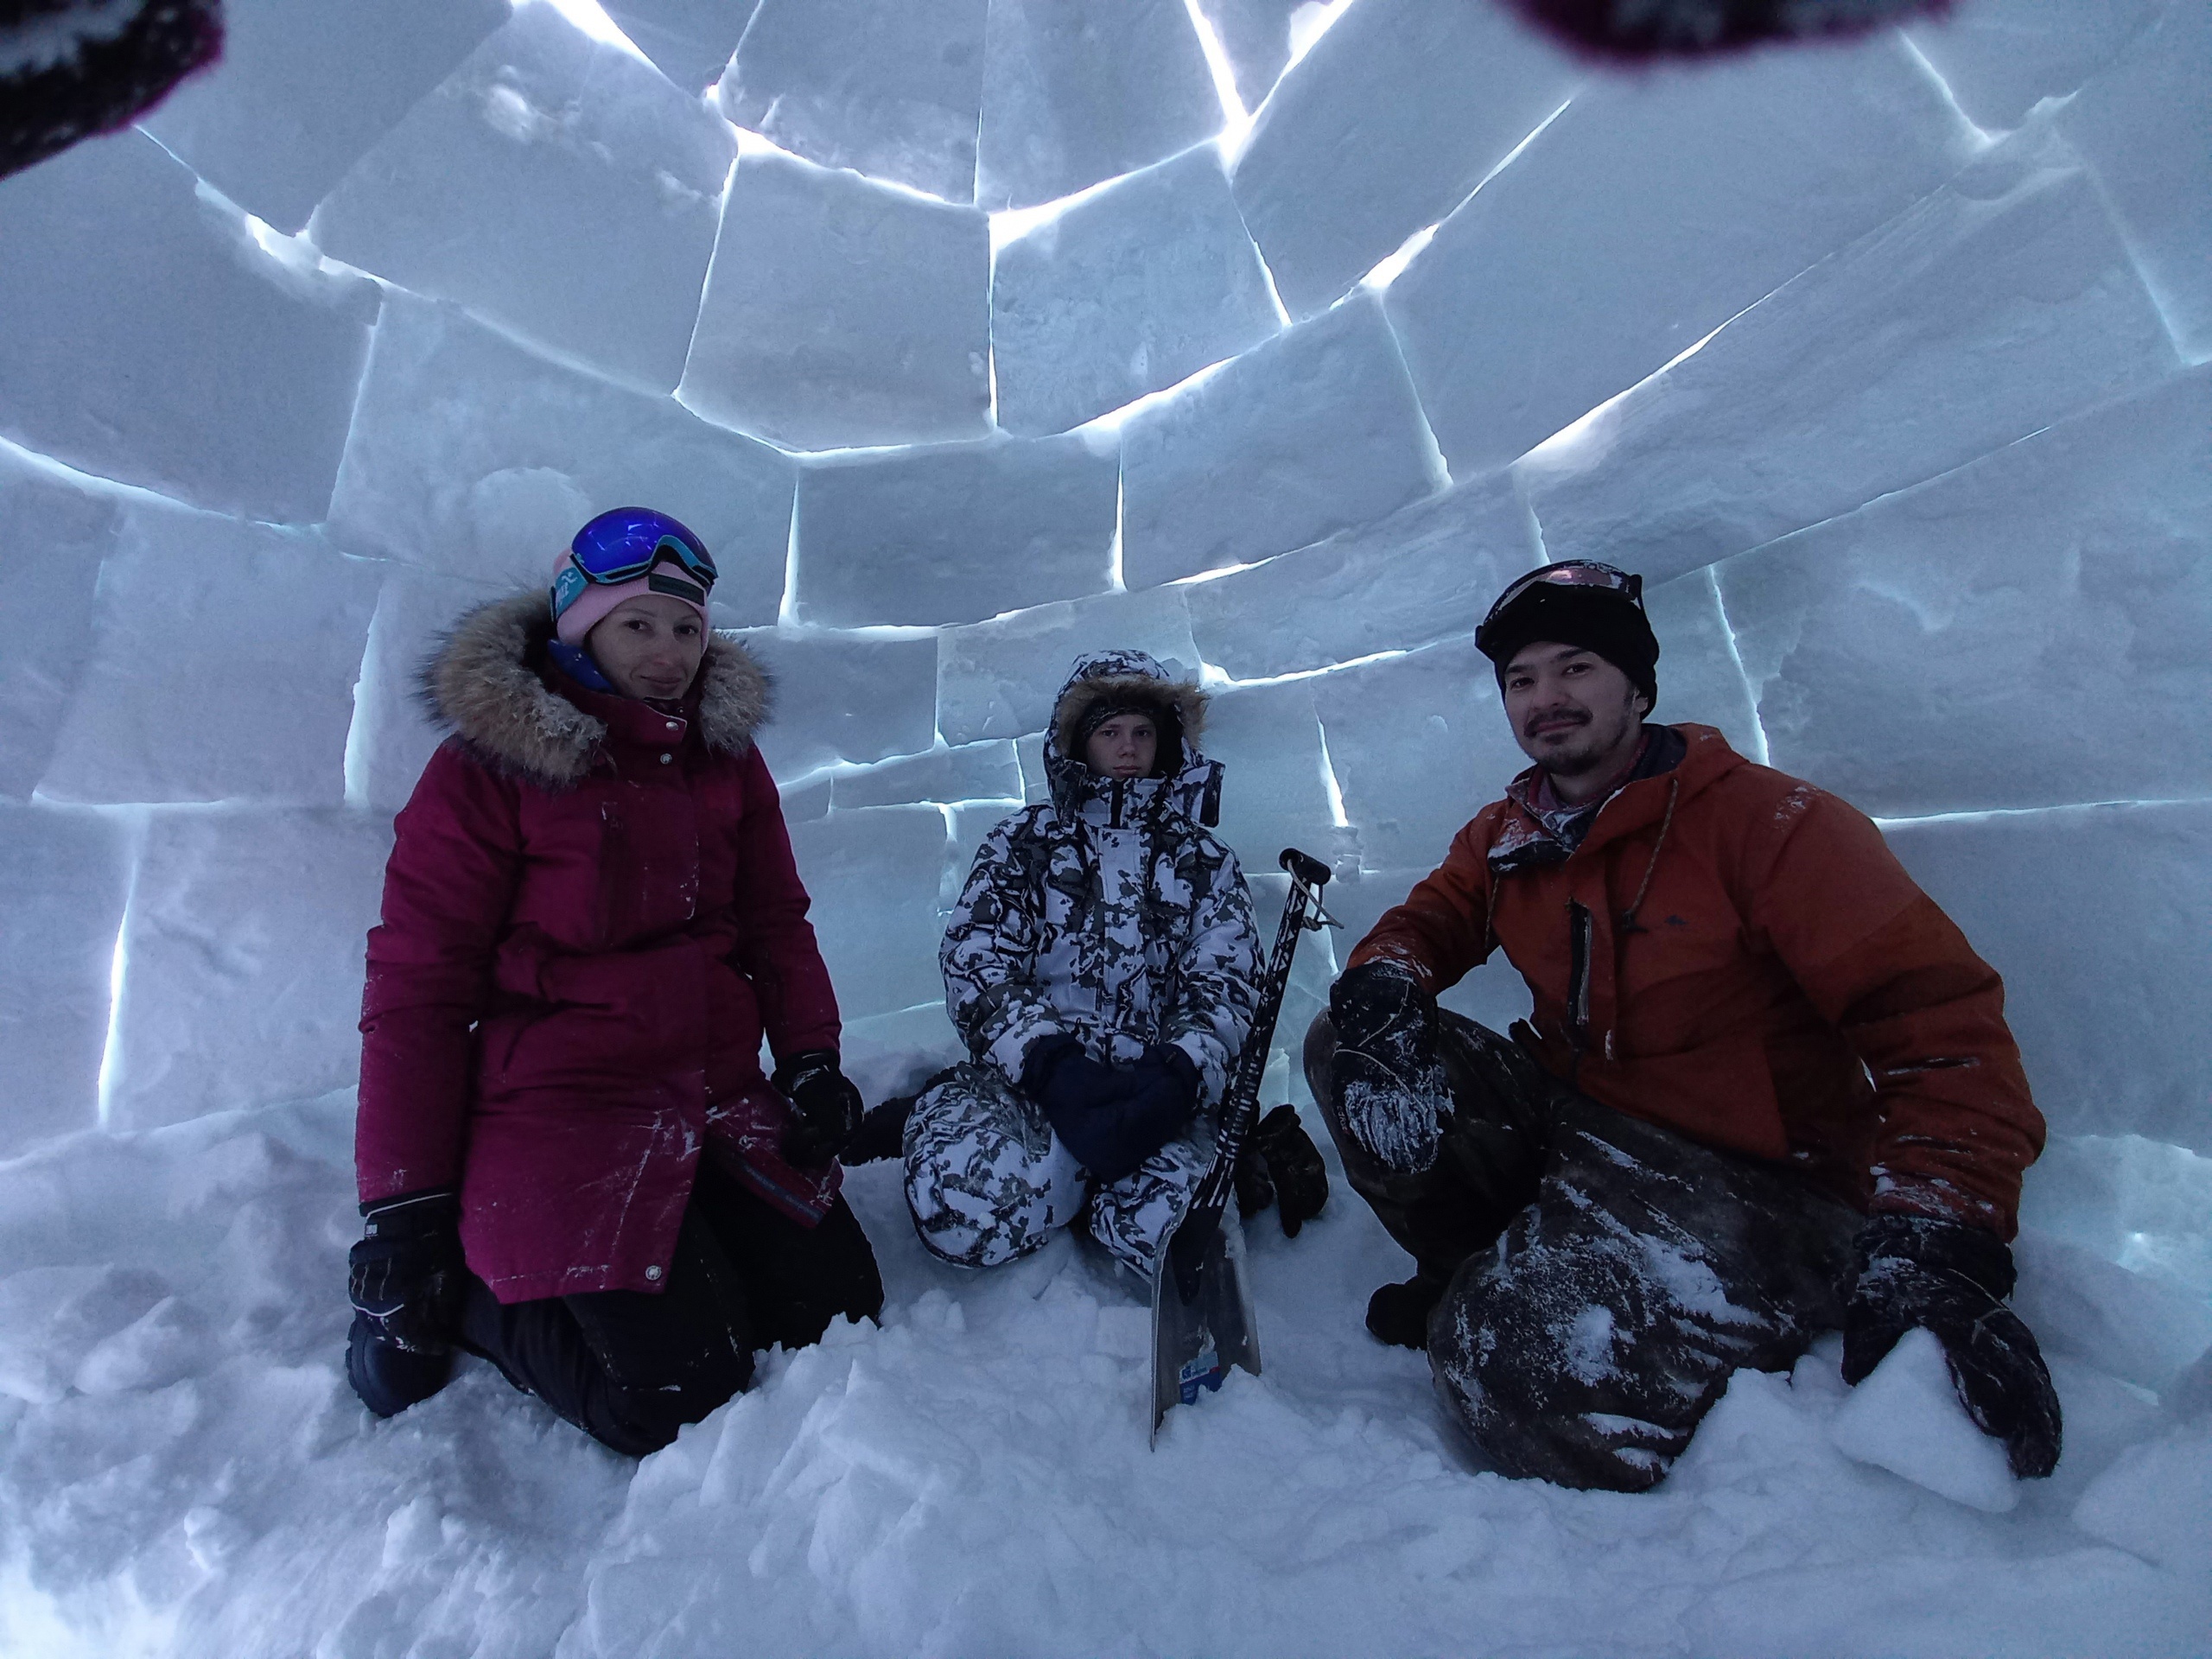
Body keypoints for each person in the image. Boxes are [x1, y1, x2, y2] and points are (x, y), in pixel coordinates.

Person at [1307, 561, 2062, 1492]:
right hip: (1586, 1133)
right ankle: (1505, 1266)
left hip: (1755, 1184)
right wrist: (1385, 979)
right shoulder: (1511, 834)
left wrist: (1940, 1237)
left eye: (1575, 667)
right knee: (1355, 1041)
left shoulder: (1771, 826)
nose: (1546, 699)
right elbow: (1428, 922)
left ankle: (1599, 1340)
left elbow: (1934, 1023)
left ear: (1637, 684)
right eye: (1521, 679)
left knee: (1502, 1364)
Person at [346, 507, 882, 1456]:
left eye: (687, 628)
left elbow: (773, 922)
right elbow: (418, 990)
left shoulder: (721, 756)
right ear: (579, 623)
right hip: (563, 1105)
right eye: (639, 624)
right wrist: (406, 1208)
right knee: (675, 1396)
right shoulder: (489, 768)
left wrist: (807, 1059)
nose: (669, 652)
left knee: (839, 1312)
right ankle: (478, 1295)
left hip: (711, 1095)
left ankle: (696, 1230)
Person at [898, 650, 1326, 1278]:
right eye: (1110, 732)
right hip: (1033, 1088)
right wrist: (1050, 1065)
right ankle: (1062, 1175)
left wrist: (1178, 1075)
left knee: (1188, 1245)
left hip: (1159, 1098)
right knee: (960, 1208)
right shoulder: (1024, 844)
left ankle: (1111, 1188)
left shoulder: (1203, 858)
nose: (1128, 748)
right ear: (1078, 741)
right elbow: (977, 958)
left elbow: (1227, 980)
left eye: (1144, 732)